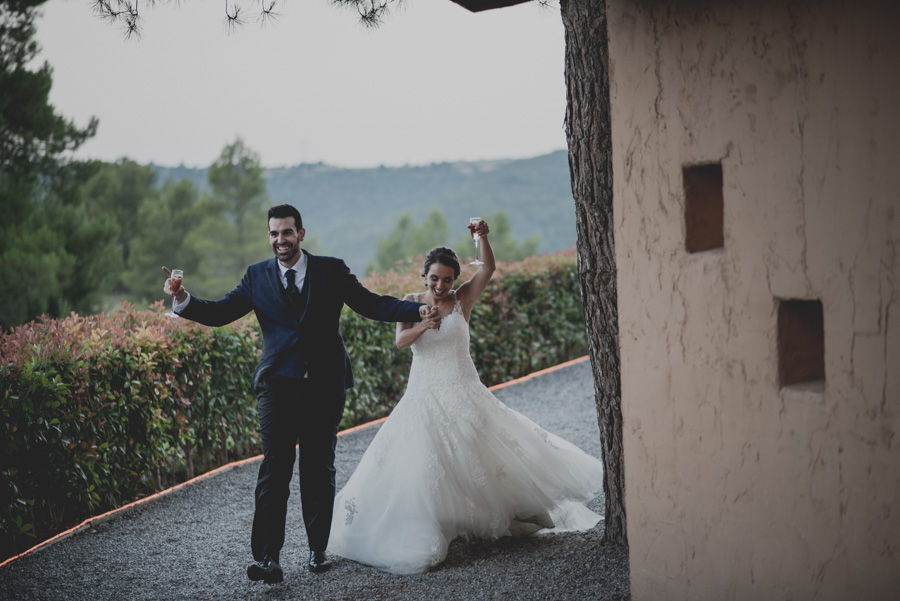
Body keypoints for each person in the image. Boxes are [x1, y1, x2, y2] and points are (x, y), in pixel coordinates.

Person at [162, 204, 441, 585]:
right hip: (276, 384)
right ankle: (267, 558)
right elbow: (220, 312)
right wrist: (183, 300)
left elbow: (372, 304)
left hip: (325, 383)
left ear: (301, 234)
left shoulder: (331, 270)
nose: (281, 240)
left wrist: (418, 308)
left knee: (318, 466)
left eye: (287, 233)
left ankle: (317, 549)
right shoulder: (256, 276)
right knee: (274, 468)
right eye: (274, 234)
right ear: (270, 236)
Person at [327, 219, 605, 575]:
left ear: (455, 279)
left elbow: (488, 267)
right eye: (434, 278)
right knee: (430, 463)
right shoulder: (410, 303)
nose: (441, 285)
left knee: (473, 457)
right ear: (423, 277)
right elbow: (399, 342)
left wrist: (483, 237)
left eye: (447, 279)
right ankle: (443, 526)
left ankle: (477, 525)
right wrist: (421, 325)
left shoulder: (462, 300)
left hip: (464, 391)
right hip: (424, 396)